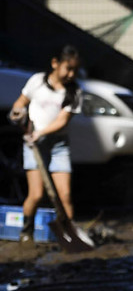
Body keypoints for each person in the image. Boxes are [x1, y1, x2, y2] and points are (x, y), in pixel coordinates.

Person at [7, 45, 83, 243]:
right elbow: (20, 102)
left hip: (58, 145)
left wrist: (41, 132)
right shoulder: (37, 81)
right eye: (68, 68)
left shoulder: (74, 93)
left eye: (75, 70)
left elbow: (62, 121)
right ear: (55, 63)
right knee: (36, 194)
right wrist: (17, 112)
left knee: (64, 194)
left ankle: (70, 237)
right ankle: (26, 232)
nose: (71, 74)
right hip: (33, 145)